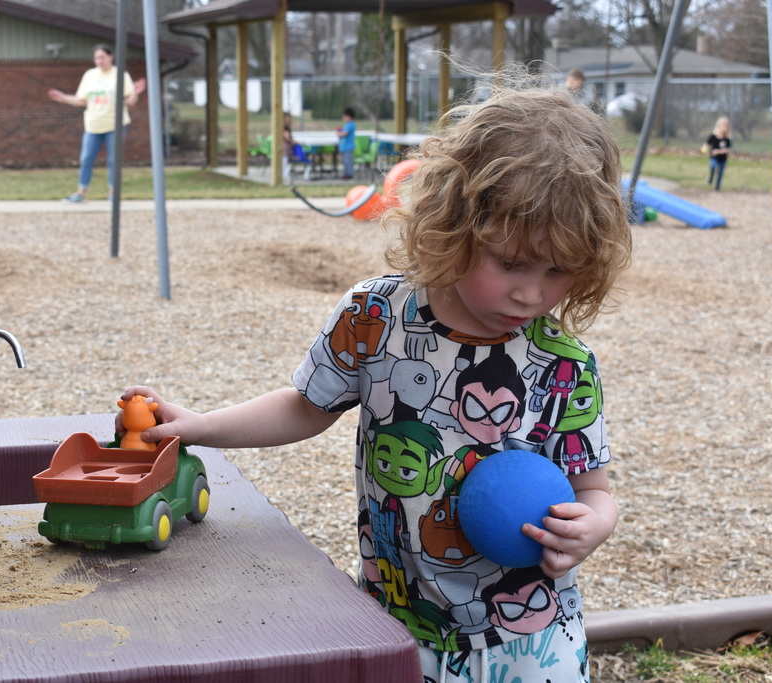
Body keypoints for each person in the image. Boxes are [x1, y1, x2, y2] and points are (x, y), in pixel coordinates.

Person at [117, 73, 632, 683]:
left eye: (559, 270)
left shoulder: (565, 364)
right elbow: (306, 406)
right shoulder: (377, 316)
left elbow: (593, 488)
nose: (531, 291)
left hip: (531, 634)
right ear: (455, 223)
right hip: (398, 620)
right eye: (511, 262)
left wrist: (596, 522)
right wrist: (201, 426)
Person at [47, 44, 146, 203]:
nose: (99, 60)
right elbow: (81, 100)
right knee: (86, 159)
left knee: (114, 160)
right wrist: (64, 98)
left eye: (102, 57)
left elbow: (130, 101)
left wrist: (135, 92)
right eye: (96, 57)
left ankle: (114, 194)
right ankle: (81, 193)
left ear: (110, 57)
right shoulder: (90, 75)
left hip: (115, 126)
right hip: (93, 126)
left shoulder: (120, 74)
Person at [705, 116, 731, 191]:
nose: (726, 128)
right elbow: (706, 144)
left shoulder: (727, 138)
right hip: (714, 157)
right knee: (713, 166)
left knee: (720, 173)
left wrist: (718, 151)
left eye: (727, 126)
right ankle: (711, 178)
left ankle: (717, 187)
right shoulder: (713, 137)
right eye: (724, 126)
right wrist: (706, 149)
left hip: (723, 159)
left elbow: (727, 149)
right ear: (719, 126)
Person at [336, 107, 356, 179]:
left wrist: (338, 133)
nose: (343, 118)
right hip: (344, 147)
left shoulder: (350, 124)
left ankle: (349, 174)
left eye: (344, 116)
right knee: (344, 161)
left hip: (348, 147)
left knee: (348, 162)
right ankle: (346, 173)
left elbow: (345, 133)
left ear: (349, 116)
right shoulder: (348, 124)